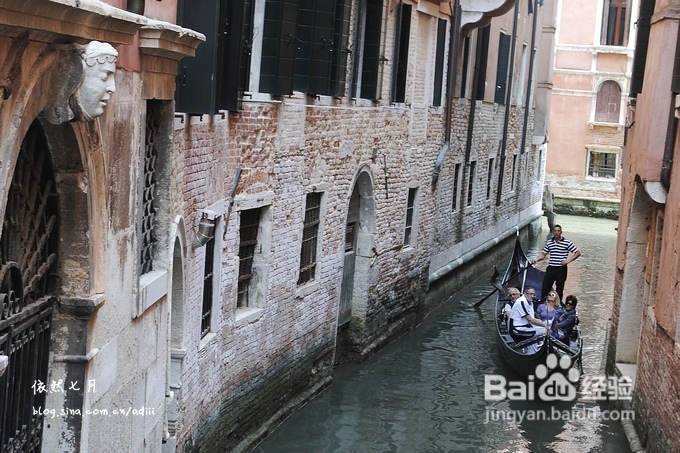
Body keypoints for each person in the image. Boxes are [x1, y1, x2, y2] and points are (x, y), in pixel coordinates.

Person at [531, 224, 581, 301]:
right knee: (545, 288)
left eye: (558, 231)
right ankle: (543, 304)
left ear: (561, 232)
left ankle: (558, 306)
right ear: (552, 232)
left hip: (561, 269)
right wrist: (536, 260)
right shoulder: (549, 242)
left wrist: (568, 261)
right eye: (555, 231)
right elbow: (543, 254)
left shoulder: (567, 242)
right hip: (551, 268)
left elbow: (577, 253)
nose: (556, 232)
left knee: (559, 289)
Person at [507, 287, 548, 353]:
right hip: (517, 330)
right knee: (544, 330)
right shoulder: (521, 302)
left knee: (545, 327)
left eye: (534, 294)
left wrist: (544, 323)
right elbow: (531, 320)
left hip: (526, 327)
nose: (532, 296)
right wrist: (544, 325)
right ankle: (539, 349)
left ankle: (536, 350)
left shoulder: (530, 303)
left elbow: (533, 319)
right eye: (530, 294)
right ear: (525, 294)